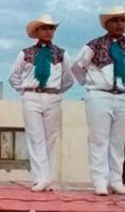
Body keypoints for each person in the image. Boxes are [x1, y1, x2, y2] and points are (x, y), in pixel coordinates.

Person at [71, 6, 125, 196]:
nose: (119, 24)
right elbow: (78, 67)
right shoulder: (94, 45)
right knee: (99, 139)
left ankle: (116, 180)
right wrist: (90, 84)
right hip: (99, 95)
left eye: (122, 20)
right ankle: (100, 181)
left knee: (118, 141)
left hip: (123, 96)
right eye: (115, 20)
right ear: (107, 24)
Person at [9, 14, 75, 192]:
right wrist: (25, 91)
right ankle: (40, 178)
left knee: (50, 138)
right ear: (37, 31)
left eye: (51, 28)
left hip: (52, 96)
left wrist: (56, 91)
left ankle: (47, 177)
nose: (48, 31)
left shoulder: (61, 54)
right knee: (35, 137)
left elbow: (69, 78)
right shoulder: (26, 53)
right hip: (32, 95)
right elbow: (13, 76)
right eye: (44, 28)